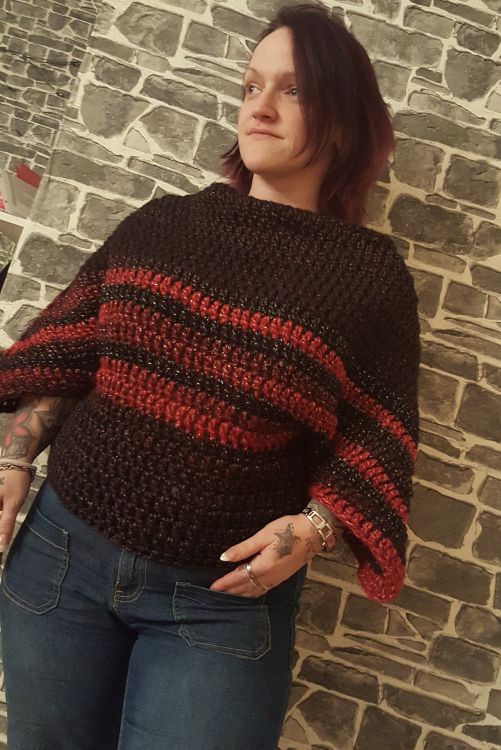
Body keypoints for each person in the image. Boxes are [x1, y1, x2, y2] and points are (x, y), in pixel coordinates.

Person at [0, 3, 420, 749]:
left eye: (293, 89)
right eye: (252, 85)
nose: (260, 105)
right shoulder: (162, 223)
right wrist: (13, 457)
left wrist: (315, 529)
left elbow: (378, 436)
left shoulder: (369, 280)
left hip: (220, 603)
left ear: (344, 120)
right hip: (61, 561)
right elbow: (73, 355)